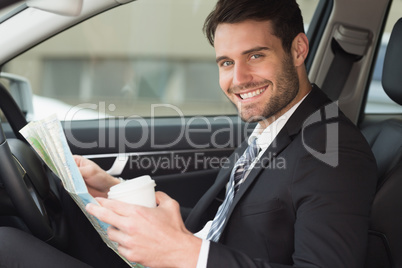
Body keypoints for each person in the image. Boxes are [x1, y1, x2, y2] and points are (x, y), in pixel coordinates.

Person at [0, 0, 377, 267]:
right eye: (227, 62)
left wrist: (184, 254)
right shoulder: (273, 126)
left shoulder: (335, 151)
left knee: (8, 247)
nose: (238, 79)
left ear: (298, 49)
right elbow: (223, 224)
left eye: (256, 56)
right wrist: (113, 187)